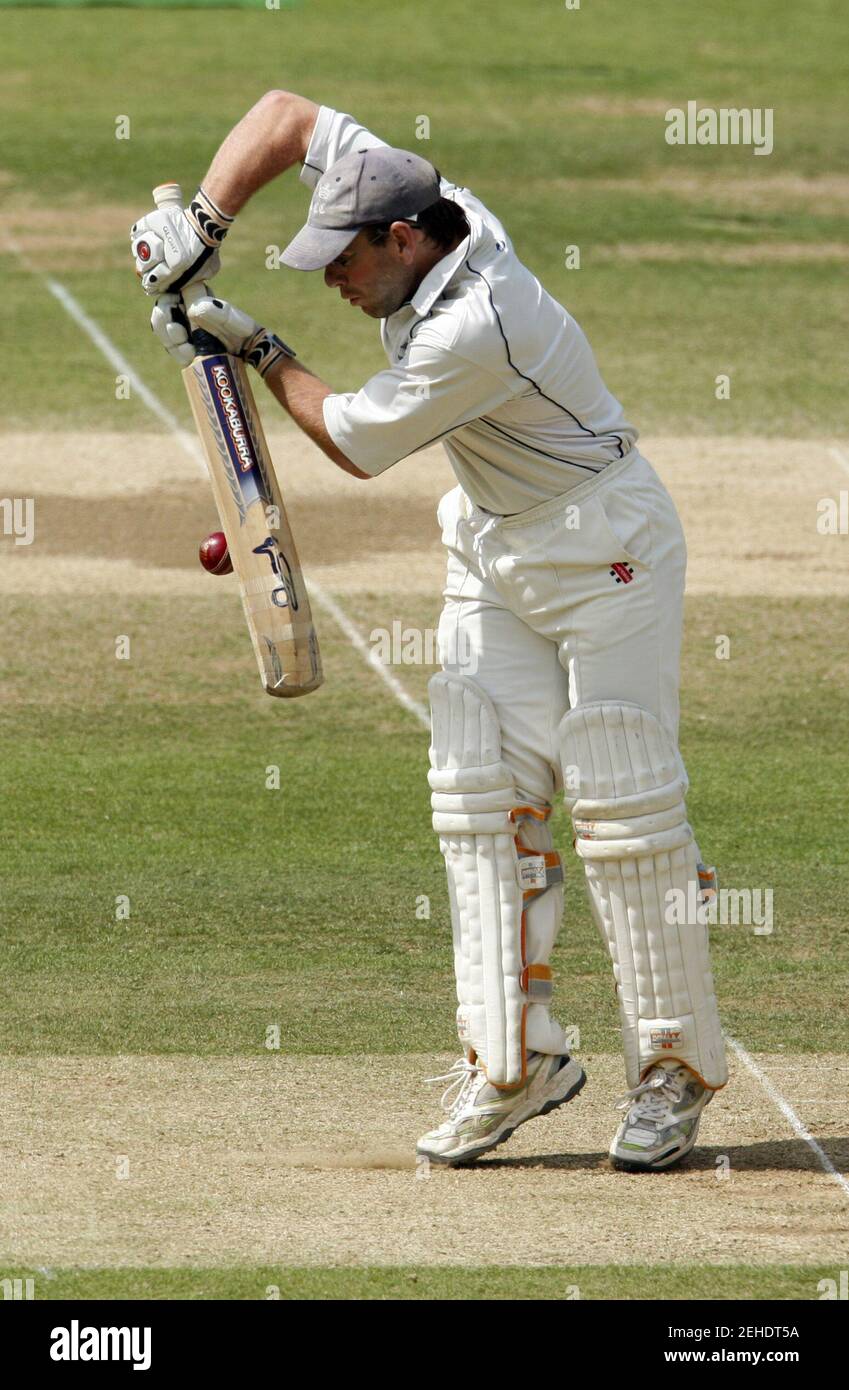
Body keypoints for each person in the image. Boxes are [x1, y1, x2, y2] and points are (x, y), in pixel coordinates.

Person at [131, 91, 727, 1172]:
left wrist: (253, 341)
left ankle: (672, 1075)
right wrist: (199, 228)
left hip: (608, 552)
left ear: (404, 238)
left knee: (623, 803)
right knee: (477, 792)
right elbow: (282, 115)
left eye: (344, 262)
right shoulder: (410, 193)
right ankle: (514, 1061)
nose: (333, 279)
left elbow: (357, 439)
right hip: (495, 543)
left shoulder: (475, 322)